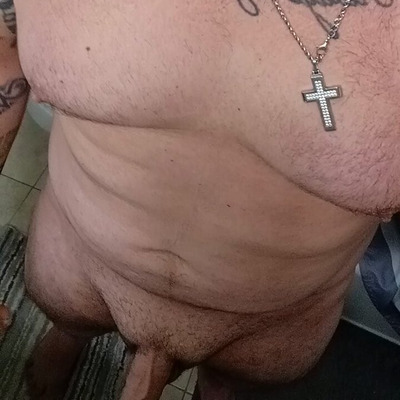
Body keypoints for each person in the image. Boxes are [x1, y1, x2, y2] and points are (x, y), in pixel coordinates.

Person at [0, 0, 398, 399]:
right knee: (66, 333)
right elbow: (4, 62)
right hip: (76, 267)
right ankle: (66, 339)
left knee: (223, 387)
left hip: (271, 325)